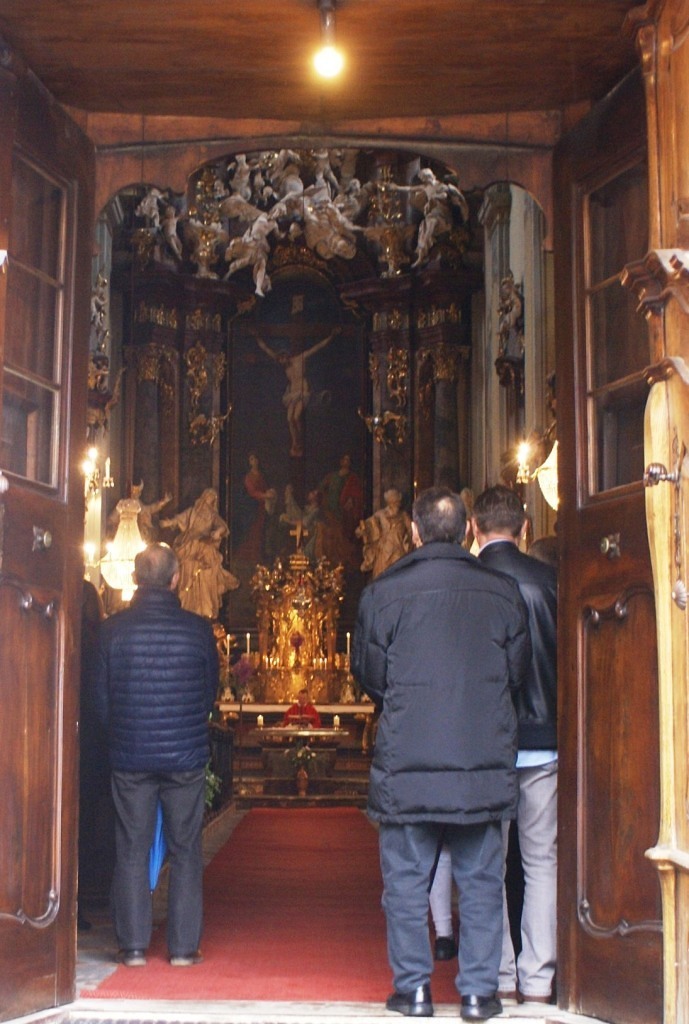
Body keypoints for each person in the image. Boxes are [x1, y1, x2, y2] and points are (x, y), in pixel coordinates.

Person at [351, 487, 531, 1021]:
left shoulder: (383, 593)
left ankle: (414, 991)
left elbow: (371, 675)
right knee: (481, 883)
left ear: (413, 532)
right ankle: (478, 994)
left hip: (408, 760)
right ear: (468, 530)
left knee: (406, 885)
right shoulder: (502, 592)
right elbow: (516, 673)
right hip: (481, 759)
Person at [93, 543, 219, 968]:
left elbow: (100, 700)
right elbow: (208, 694)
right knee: (186, 851)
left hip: (130, 757)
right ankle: (182, 949)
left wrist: (122, 736)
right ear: (176, 579)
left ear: (134, 578)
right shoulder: (198, 631)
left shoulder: (112, 631)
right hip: (184, 757)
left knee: (131, 847)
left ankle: (131, 947)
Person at [471, 484, 558, 1005]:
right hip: (545, 739)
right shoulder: (551, 581)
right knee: (542, 859)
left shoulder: (468, 583)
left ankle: (500, 974)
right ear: (525, 528)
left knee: (487, 862)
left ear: (474, 528)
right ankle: (540, 977)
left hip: (487, 743)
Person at [254, 327, 341, 457]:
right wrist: (257, 337)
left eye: (282, 359)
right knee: (289, 419)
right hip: (291, 393)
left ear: (286, 355)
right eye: (279, 360)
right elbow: (267, 350)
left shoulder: (300, 358)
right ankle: (295, 442)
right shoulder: (283, 364)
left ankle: (300, 440)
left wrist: (331, 336)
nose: (281, 362)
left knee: (296, 417)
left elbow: (317, 348)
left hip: (302, 391)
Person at [161, 488, 239, 619]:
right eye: (208, 497)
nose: (209, 501)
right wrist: (169, 522)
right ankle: (186, 605)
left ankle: (205, 608)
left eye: (212, 499)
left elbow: (222, 527)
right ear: (203, 498)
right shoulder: (193, 512)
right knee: (186, 571)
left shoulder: (212, 515)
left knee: (206, 574)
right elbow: (180, 518)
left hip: (204, 545)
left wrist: (217, 532)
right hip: (189, 545)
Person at [316, 453, 363, 570]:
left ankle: (341, 562)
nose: (346, 462)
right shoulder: (332, 476)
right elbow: (321, 489)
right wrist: (323, 500)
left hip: (344, 512)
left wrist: (351, 501)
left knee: (341, 536)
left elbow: (357, 494)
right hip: (330, 510)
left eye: (348, 460)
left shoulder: (352, 478)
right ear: (341, 461)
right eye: (344, 459)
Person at [356, 487, 412, 577]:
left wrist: (408, 542)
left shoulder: (404, 516)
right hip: (384, 553)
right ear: (390, 503)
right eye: (396, 502)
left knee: (399, 576)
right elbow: (366, 527)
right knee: (382, 577)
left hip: (399, 552)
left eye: (399, 502)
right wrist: (362, 531)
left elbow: (411, 531)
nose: (398, 504)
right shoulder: (380, 515)